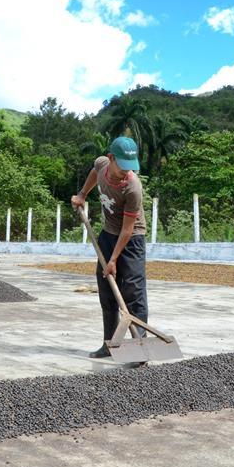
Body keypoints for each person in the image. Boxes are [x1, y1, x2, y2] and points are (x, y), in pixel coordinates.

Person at [71, 136, 148, 359]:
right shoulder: (102, 163)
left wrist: (113, 259)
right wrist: (82, 194)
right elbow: (95, 172)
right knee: (106, 291)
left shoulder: (133, 187)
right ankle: (109, 345)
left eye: (130, 168)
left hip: (132, 239)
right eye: (123, 166)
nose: (126, 172)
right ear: (111, 158)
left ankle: (139, 350)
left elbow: (127, 229)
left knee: (133, 291)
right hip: (108, 234)